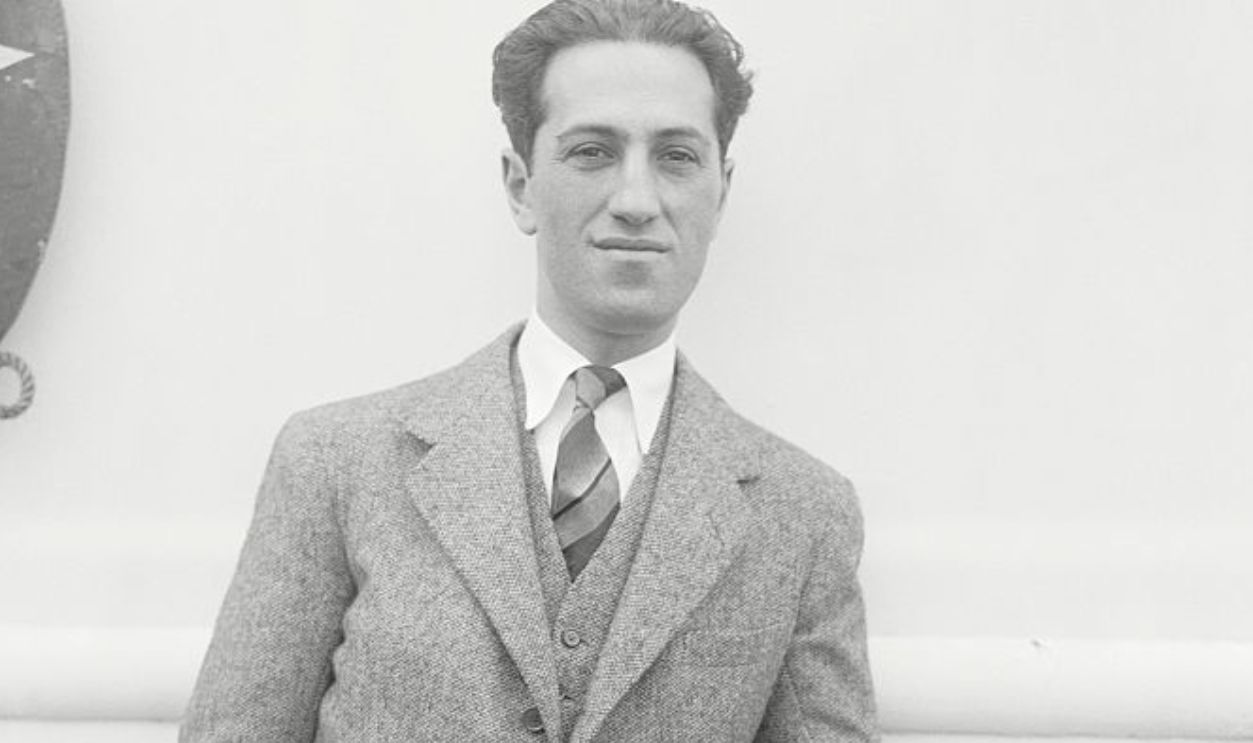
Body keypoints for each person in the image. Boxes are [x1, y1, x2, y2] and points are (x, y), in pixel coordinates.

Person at [181, 0, 878, 740]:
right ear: (520, 186)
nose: (636, 201)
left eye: (675, 155)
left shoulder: (805, 515)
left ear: (721, 189)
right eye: (592, 152)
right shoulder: (336, 464)